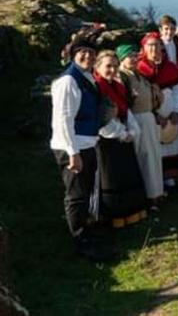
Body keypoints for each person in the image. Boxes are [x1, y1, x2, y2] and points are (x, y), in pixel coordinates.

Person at [50, 37, 112, 260]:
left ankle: (86, 232)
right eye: (82, 52)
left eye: (91, 53)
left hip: (86, 143)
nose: (88, 56)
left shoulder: (86, 78)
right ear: (73, 54)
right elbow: (63, 120)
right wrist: (72, 153)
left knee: (85, 192)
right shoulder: (68, 82)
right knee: (76, 195)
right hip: (73, 146)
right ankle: (80, 242)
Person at [93, 50, 148, 228]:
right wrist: (122, 133)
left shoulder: (118, 86)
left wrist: (132, 130)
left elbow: (125, 110)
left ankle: (131, 214)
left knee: (127, 175)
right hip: (108, 140)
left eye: (115, 66)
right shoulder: (97, 87)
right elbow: (102, 119)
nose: (112, 69)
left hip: (123, 136)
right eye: (108, 66)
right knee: (112, 178)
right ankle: (114, 218)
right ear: (98, 67)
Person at [118, 43, 165, 208]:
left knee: (153, 155)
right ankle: (147, 195)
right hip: (136, 119)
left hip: (148, 118)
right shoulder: (122, 77)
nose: (132, 59)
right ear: (121, 59)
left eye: (134, 56)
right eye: (128, 56)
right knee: (143, 157)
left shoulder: (140, 75)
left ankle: (157, 192)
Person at [137, 32, 178, 185]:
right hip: (152, 115)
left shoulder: (169, 66)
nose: (154, 48)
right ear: (144, 48)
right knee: (155, 147)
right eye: (150, 45)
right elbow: (140, 96)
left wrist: (176, 111)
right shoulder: (140, 68)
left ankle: (170, 177)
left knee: (172, 143)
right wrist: (155, 114)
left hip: (172, 115)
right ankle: (155, 179)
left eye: (157, 45)